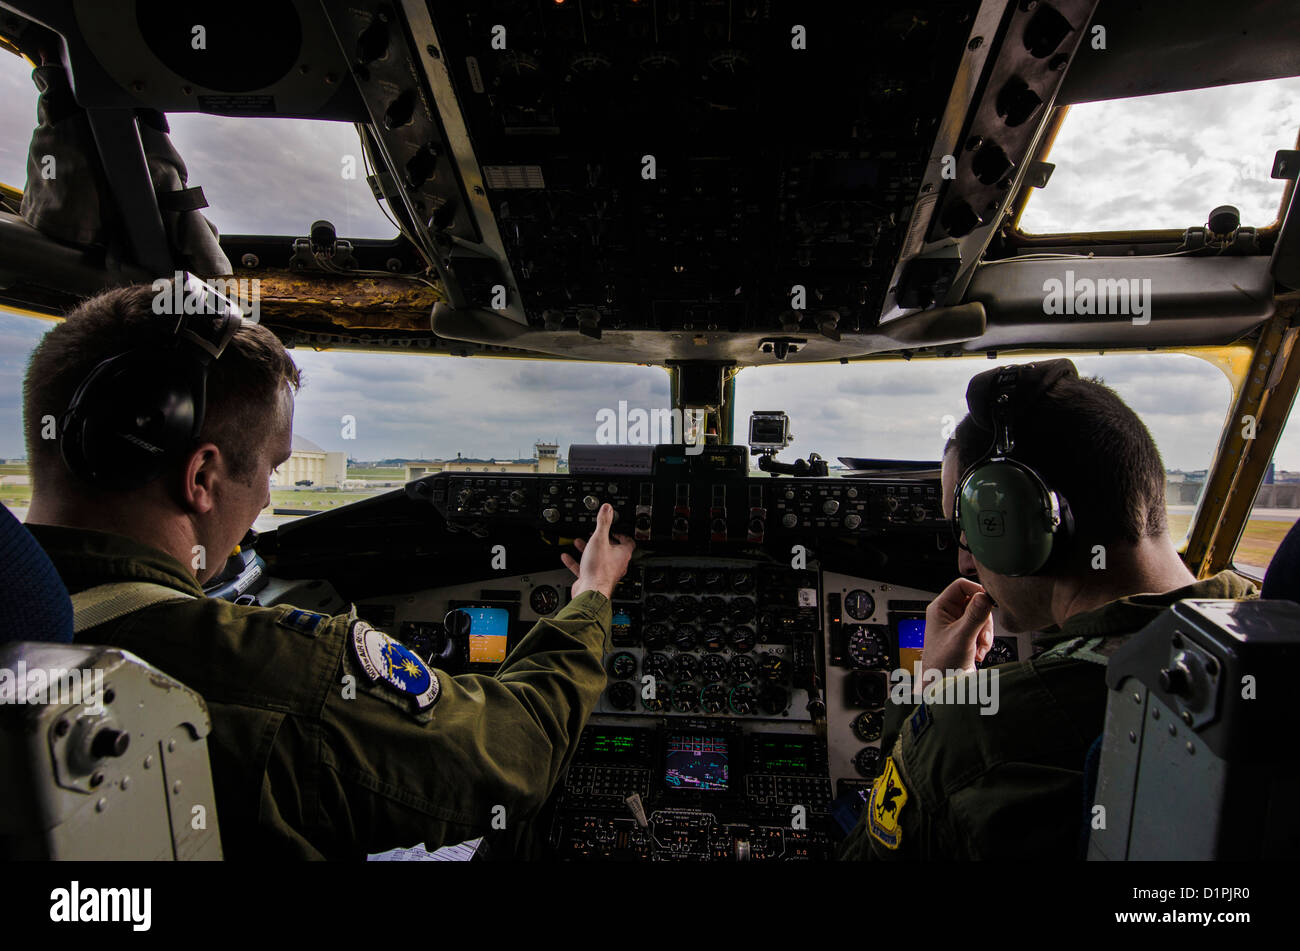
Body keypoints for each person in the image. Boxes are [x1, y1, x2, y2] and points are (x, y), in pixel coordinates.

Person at [22, 280, 635, 859]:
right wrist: (591, 595)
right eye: (271, 466)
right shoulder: (270, 668)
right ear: (202, 479)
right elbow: (516, 752)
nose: (266, 498)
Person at [839, 359, 1255, 860]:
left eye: (966, 529)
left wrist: (931, 700)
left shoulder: (975, 735)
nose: (963, 558)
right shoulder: (1269, 631)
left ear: (1013, 524)